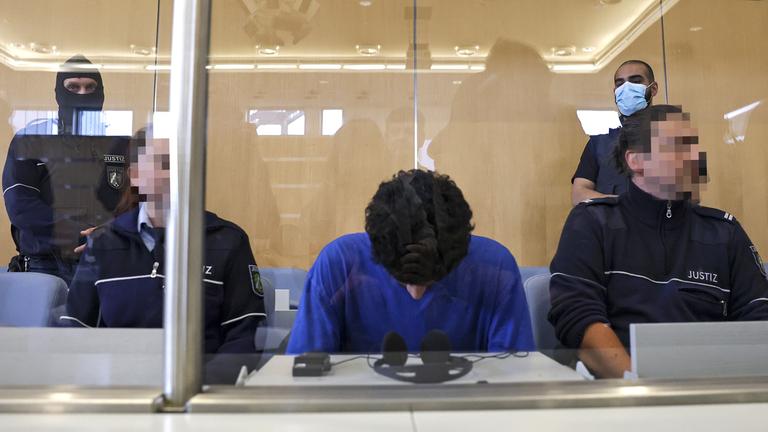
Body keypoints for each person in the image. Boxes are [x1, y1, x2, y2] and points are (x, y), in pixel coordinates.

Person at [549, 105, 768, 378]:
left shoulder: (724, 232)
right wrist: (642, 387)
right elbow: (578, 318)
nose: (695, 156)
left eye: (694, 146)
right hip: (618, 388)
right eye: (678, 146)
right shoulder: (592, 222)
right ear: (636, 160)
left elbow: (759, 318)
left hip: (712, 387)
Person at [62, 128, 266, 380]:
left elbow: (246, 334)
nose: (177, 174)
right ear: (136, 176)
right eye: (165, 164)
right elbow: (75, 330)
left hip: (199, 391)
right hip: (118, 390)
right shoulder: (104, 243)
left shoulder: (228, 241)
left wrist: (198, 388)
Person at [287, 169, 534, 354]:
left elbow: (514, 376)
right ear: (376, 250)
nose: (416, 294)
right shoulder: (339, 265)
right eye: (401, 279)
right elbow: (305, 373)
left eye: (433, 280)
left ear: (461, 254)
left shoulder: (495, 269)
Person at [2, 55, 123, 282]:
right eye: (73, 87)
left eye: (90, 87)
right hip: (46, 267)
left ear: (101, 93)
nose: (82, 94)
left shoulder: (118, 144)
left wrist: (108, 235)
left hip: (108, 261)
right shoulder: (31, 140)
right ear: (59, 93)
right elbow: (20, 205)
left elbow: (134, 205)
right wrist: (78, 234)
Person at [571, 60, 659, 205]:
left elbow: (686, 197)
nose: (627, 88)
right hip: (610, 219)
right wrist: (622, 204)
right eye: (620, 84)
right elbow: (579, 194)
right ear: (615, 92)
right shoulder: (598, 144)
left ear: (653, 88)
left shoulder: (672, 139)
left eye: (635, 81)